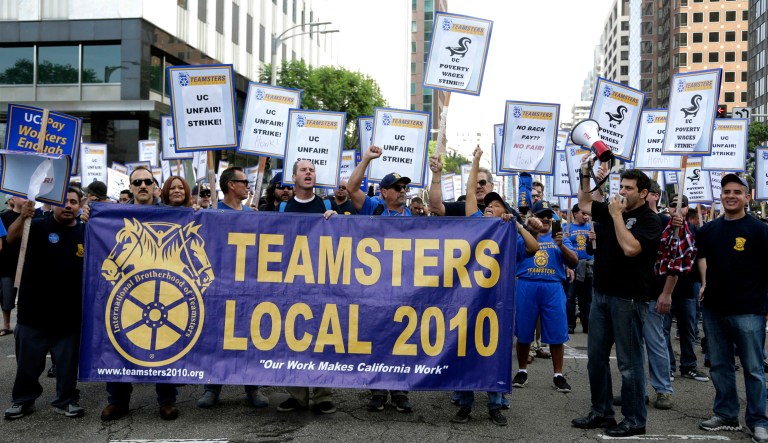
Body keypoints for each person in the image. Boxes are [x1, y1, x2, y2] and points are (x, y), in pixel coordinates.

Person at [571, 164, 662, 438]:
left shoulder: (649, 220)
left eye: (629, 188)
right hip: (601, 295)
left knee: (628, 363)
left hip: (628, 300)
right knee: (596, 359)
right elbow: (585, 202)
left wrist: (617, 217)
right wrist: (585, 175)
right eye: (621, 187)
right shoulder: (613, 210)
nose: (622, 192)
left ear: (644, 193)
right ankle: (601, 411)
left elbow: (631, 248)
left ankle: (635, 420)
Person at [451, 145, 539, 426]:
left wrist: (517, 225)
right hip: (469, 300)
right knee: (466, 348)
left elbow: (534, 247)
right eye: (487, 204)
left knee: (497, 351)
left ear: (505, 211)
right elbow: (469, 195)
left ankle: (496, 403)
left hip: (498, 304)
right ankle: (465, 403)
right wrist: (475, 160)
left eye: (496, 204)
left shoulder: (508, 232)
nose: (489, 206)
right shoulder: (475, 222)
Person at [101, 166, 179, 421]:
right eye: (137, 182)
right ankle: (118, 401)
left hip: (162, 293)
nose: (142, 186)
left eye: (147, 181)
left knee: (163, 346)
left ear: (155, 186)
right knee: (120, 344)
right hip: (127, 294)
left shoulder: (171, 213)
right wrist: (89, 214)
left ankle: (167, 401)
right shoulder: (114, 215)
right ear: (131, 187)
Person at [695, 174, 768, 442]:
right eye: (726, 191)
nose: (731, 195)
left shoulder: (760, 230)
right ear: (721, 195)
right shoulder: (709, 230)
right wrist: (704, 282)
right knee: (720, 366)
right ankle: (726, 414)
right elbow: (698, 257)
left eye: (737, 192)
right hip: (714, 309)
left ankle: (759, 421)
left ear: (747, 197)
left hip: (749, 310)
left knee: (753, 368)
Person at [4, 187, 85, 419]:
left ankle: (66, 400)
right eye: (63, 201)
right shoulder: (37, 225)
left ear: (80, 206)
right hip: (33, 313)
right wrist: (22, 216)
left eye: (73, 201)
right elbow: (11, 238)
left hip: (69, 315)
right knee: (28, 365)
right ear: (53, 204)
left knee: (67, 366)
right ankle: (22, 400)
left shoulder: (86, 232)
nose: (68, 205)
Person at [345, 146, 414, 412]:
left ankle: (399, 391)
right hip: (374, 288)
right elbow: (352, 188)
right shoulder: (373, 208)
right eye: (397, 188)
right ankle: (377, 391)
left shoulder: (412, 216)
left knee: (402, 339)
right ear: (384, 192)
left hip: (404, 288)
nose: (402, 192)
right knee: (376, 337)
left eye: (404, 188)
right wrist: (366, 159)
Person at [196, 167, 268, 410]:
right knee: (218, 338)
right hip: (220, 287)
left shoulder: (252, 213)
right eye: (243, 182)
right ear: (230, 185)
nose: (247, 186)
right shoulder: (214, 214)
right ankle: (212, 387)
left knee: (249, 338)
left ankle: (252, 387)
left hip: (249, 286)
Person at [275, 159, 337, 415]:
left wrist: (336, 221)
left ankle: (323, 395)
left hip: (321, 282)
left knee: (322, 339)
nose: (309, 173)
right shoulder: (282, 207)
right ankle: (297, 395)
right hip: (292, 283)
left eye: (312, 170)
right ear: (294, 177)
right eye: (303, 170)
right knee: (294, 339)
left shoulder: (326, 205)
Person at [511, 200, 578, 395]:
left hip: (552, 287)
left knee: (557, 333)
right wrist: (529, 231)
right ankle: (522, 370)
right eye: (541, 215)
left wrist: (562, 246)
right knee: (523, 332)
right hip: (526, 284)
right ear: (533, 216)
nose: (546, 218)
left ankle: (558, 374)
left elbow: (573, 261)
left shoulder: (559, 236)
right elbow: (518, 253)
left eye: (548, 215)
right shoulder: (524, 235)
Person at [665, 195, 708, 383]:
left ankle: (689, 366)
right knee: (663, 330)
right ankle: (668, 366)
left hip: (687, 287)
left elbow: (701, 258)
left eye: (681, 205)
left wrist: (704, 283)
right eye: (673, 205)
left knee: (688, 329)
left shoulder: (694, 230)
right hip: (665, 289)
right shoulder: (661, 227)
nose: (677, 209)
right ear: (668, 208)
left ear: (687, 208)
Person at [641, 181, 675, 411]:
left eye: (647, 194)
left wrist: (666, 292)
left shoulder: (666, 223)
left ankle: (663, 390)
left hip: (654, 294)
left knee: (656, 343)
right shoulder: (631, 219)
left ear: (654, 196)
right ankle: (637, 391)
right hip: (632, 293)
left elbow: (676, 259)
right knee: (633, 346)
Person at [428, 150, 495, 216]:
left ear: (492, 186)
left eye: (482, 182)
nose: (478, 186)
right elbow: (435, 207)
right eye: (474, 184)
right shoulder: (462, 207)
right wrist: (436, 173)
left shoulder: (502, 208)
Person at [566, 204, 593, 334]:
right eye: (583, 213)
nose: (585, 216)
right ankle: (570, 324)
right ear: (575, 213)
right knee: (570, 297)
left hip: (587, 267)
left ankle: (587, 324)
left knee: (586, 298)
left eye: (587, 213)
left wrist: (594, 238)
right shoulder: (567, 228)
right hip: (572, 267)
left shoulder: (591, 227)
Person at [0, 195, 23, 337]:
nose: (26, 199)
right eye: (22, 197)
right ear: (13, 200)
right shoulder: (4, 216)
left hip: (25, 263)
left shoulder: (33, 217)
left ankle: (22, 324)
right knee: (6, 296)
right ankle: (6, 324)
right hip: (7, 263)